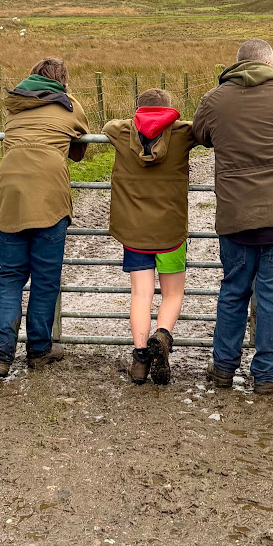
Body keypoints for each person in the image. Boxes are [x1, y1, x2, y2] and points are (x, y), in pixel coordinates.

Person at [192, 39, 273, 395]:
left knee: (233, 290)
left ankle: (223, 369)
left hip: (236, 215)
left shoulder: (214, 100)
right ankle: (267, 375)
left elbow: (200, 134)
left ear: (237, 63)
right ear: (270, 63)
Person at [0, 57, 89, 378]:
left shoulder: (14, 107)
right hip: (49, 194)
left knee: (10, 276)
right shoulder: (69, 106)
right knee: (44, 276)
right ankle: (39, 348)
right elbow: (79, 151)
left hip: (11, 192)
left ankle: (0, 352)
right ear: (62, 82)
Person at [103, 88, 198, 385]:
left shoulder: (121, 132)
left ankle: (140, 359)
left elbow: (107, 126)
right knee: (172, 293)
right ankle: (164, 335)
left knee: (140, 296)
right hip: (170, 231)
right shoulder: (183, 133)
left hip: (134, 232)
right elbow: (202, 131)